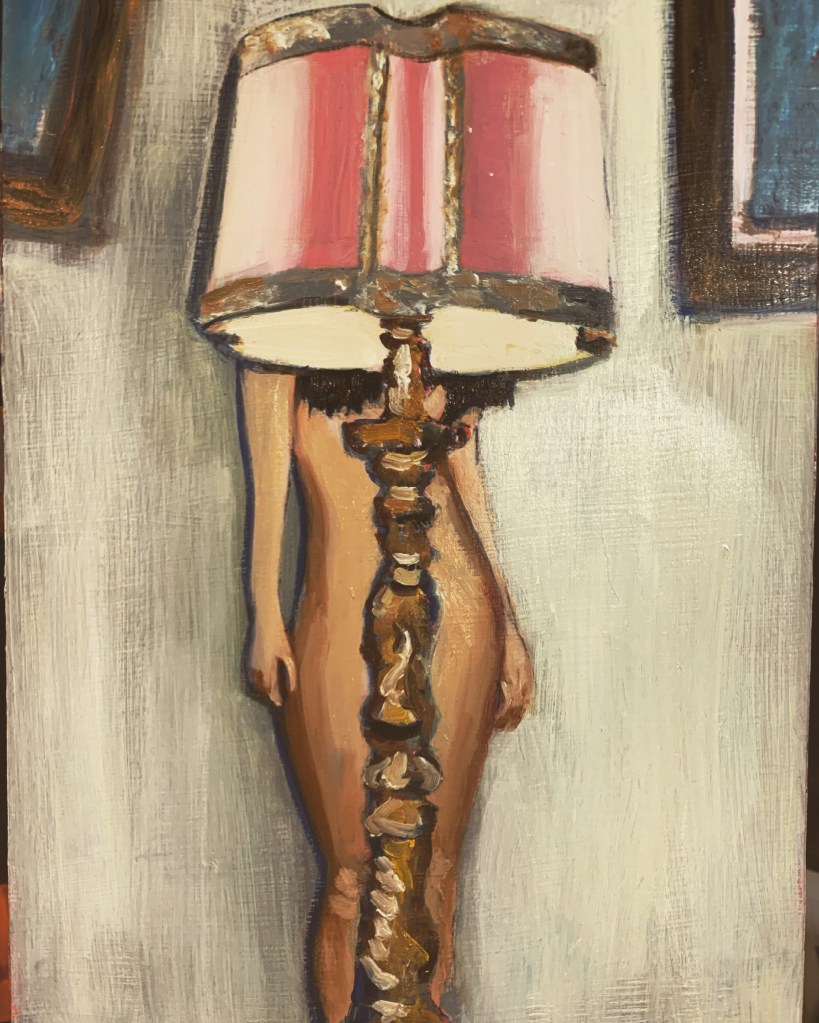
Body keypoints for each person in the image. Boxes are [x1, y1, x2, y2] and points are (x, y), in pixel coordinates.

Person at [240, 366, 535, 1023]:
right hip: (340, 610)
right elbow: (269, 459)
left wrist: (509, 625)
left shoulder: (436, 330)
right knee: (351, 876)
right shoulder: (284, 329)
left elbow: (465, 474)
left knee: (436, 872)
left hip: (459, 610)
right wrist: (264, 605)